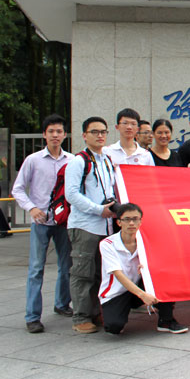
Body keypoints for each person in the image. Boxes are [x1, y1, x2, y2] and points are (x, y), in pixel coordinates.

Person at [11, 115, 74, 333]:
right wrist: (31, 208)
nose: (55, 135)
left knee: (66, 266)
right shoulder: (33, 160)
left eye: (59, 131)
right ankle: (32, 317)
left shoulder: (72, 160)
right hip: (40, 222)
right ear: (44, 134)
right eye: (51, 131)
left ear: (64, 135)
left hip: (63, 221)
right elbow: (18, 189)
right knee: (36, 269)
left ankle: (62, 303)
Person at [99, 203, 187, 334]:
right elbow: (118, 275)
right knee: (114, 327)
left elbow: (162, 263)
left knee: (165, 276)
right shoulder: (107, 244)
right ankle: (115, 312)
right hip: (116, 293)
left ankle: (166, 320)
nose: (131, 223)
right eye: (127, 219)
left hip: (138, 287)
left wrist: (150, 267)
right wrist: (143, 295)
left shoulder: (145, 240)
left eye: (135, 219)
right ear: (119, 222)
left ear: (140, 222)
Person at [65, 117, 117, 334]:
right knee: (82, 272)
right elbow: (71, 194)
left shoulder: (106, 160)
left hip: (105, 226)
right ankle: (81, 316)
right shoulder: (78, 161)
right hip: (85, 225)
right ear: (84, 135)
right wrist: (98, 209)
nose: (100, 135)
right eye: (95, 132)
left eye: (103, 131)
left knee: (99, 272)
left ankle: (95, 312)